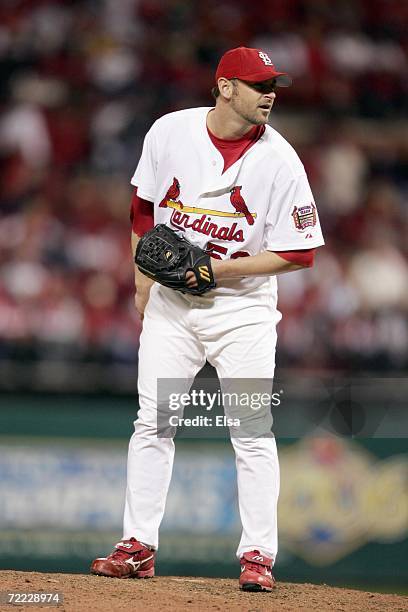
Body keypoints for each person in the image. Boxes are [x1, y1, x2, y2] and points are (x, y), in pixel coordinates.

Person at [91, 46, 324, 592]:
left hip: (241, 312)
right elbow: (142, 208)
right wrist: (140, 280)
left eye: (275, 86)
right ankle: (138, 545)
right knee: (154, 422)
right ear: (224, 87)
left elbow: (301, 253)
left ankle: (258, 555)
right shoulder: (170, 132)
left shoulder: (281, 160)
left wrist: (217, 271)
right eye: (259, 84)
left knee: (250, 430)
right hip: (173, 305)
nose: (270, 94)